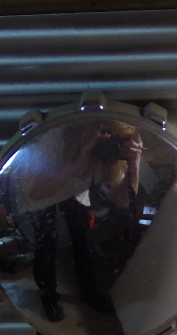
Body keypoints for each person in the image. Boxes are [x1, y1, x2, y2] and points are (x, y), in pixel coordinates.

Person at [17, 120, 143, 324]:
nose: (101, 138)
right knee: (46, 242)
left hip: (74, 190)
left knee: (84, 239)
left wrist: (133, 165)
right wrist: (78, 165)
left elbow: (123, 202)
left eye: (106, 133)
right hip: (42, 195)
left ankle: (89, 292)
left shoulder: (112, 145)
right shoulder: (53, 139)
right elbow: (35, 193)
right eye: (92, 130)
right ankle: (48, 296)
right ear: (76, 128)